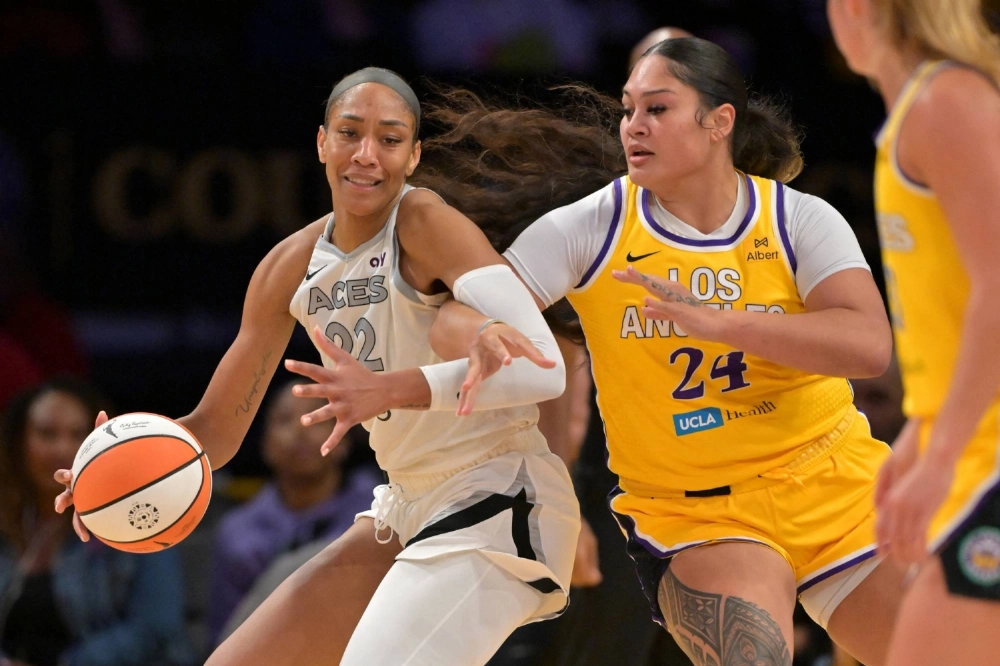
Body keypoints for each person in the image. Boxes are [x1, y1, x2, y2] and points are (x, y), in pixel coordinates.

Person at [54, 67, 580, 666]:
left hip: (499, 494)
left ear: (413, 157)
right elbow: (213, 431)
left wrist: (392, 389)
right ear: (322, 143)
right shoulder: (288, 266)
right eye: (350, 132)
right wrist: (110, 472)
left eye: (389, 139)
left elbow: (542, 372)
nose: (366, 154)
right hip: (407, 503)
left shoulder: (425, 221)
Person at [426, 37, 908, 665]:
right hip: (698, 515)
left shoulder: (797, 220)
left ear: (719, 122)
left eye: (657, 109)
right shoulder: (592, 227)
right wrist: (483, 332)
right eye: (627, 110)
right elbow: (458, 313)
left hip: (835, 480)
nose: (633, 127)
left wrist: (723, 324)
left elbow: (869, 344)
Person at [827, 1, 1000, 664]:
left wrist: (941, 453)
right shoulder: (922, 112)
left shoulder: (946, 103)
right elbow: (956, 317)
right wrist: (923, 435)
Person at [0, 379, 194, 666]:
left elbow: (156, 627)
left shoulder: (139, 516)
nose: (62, 449)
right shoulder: (7, 520)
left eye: (77, 434)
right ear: (19, 442)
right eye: (46, 434)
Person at [207, 379, 381, 645]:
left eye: (317, 416)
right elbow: (227, 638)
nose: (301, 429)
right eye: (284, 420)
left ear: (345, 440)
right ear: (265, 444)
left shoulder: (381, 508)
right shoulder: (237, 534)